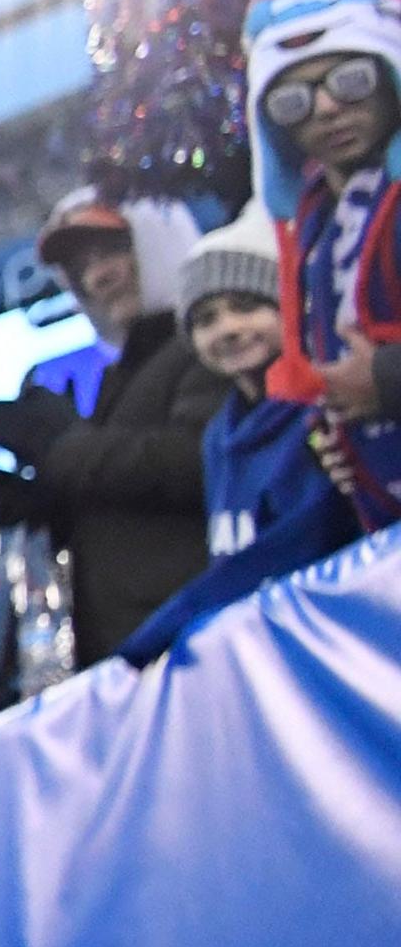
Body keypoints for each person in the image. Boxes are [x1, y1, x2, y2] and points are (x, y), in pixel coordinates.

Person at [0, 187, 220, 666]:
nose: (98, 276)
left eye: (114, 249)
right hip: (142, 650)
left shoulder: (207, 342)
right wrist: (33, 502)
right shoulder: (125, 371)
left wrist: (63, 450)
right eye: (80, 267)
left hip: (197, 635)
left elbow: (199, 458)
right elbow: (120, 504)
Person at [119, 210, 368, 669]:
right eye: (206, 319)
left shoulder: (324, 407)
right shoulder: (218, 437)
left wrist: (181, 615)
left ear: (286, 308)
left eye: (247, 305)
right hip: (271, 655)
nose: (228, 328)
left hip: (348, 637)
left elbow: (307, 537)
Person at [245, 0, 401, 536]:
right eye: (292, 101)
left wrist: (387, 380)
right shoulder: (315, 222)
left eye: (350, 80)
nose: (327, 108)